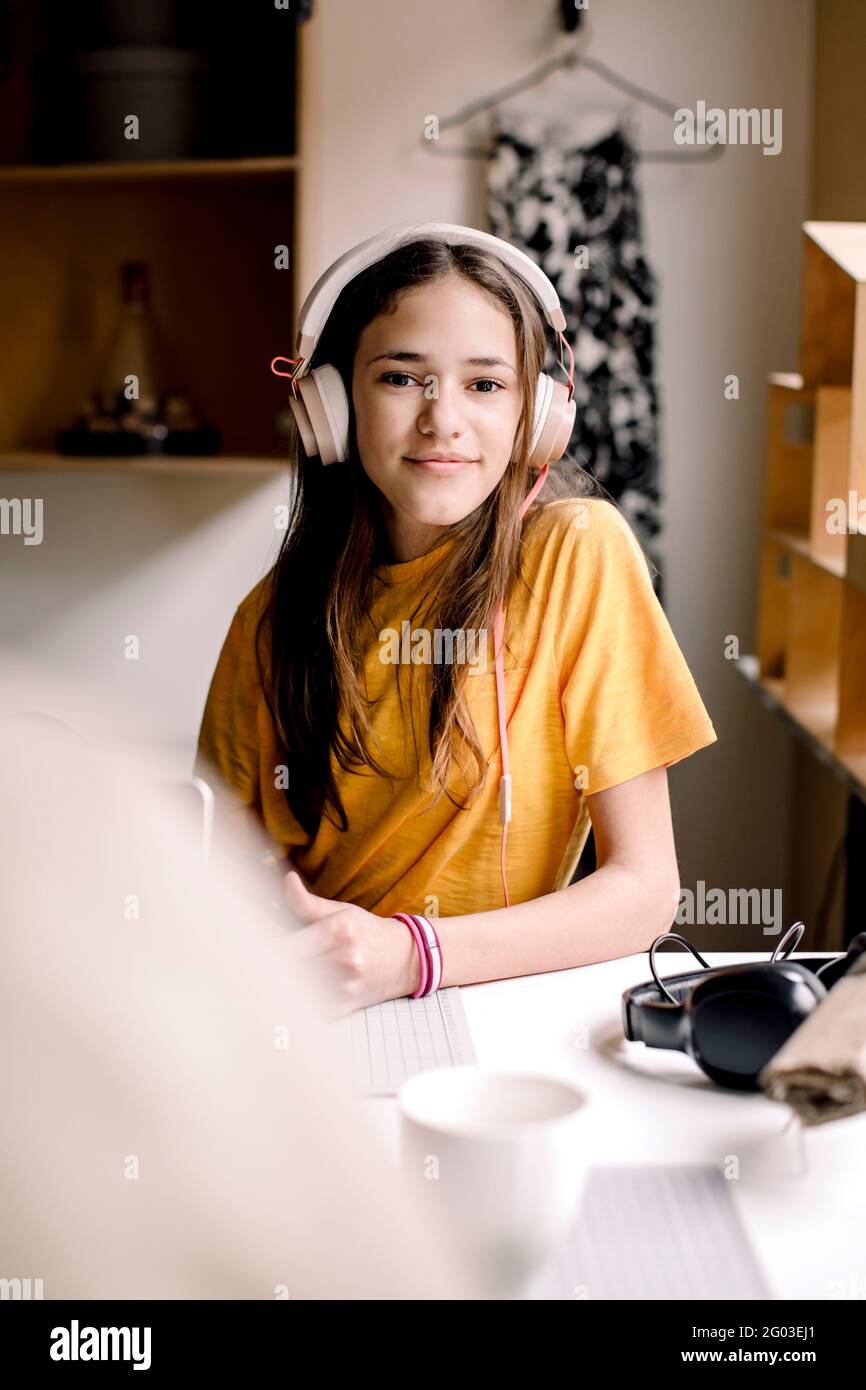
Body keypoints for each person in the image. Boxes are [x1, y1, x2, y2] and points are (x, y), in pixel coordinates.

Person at [195, 223, 717, 1017]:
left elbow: (646, 892)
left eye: (485, 385)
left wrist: (411, 955)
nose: (444, 420)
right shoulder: (270, 618)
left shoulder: (577, 555)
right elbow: (231, 875)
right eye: (402, 378)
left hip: (501, 1005)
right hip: (327, 1010)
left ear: (536, 415)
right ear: (329, 405)